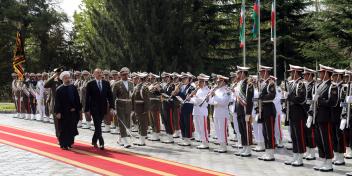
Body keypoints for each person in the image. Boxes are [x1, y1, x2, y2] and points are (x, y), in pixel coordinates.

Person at [307, 64, 337, 172]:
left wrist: (319, 100)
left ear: (326, 74)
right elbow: (314, 102)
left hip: (326, 117)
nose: (319, 74)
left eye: (321, 72)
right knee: (319, 140)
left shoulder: (332, 86)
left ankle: (329, 162)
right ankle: (323, 159)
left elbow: (333, 102)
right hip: (317, 116)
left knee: (326, 139)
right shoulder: (319, 85)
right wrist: (310, 114)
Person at [283, 65, 307, 167]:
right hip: (292, 112)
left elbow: (300, 99)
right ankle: (295, 156)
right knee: (293, 136)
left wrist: (289, 96)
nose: (290, 74)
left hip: (299, 112)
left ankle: (300, 158)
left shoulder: (301, 84)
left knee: (299, 135)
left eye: (292, 72)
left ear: (296, 73)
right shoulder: (292, 84)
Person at [85, 68, 114, 150]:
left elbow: (110, 96)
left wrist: (112, 107)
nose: (99, 74)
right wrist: (86, 109)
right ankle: (101, 142)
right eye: (97, 73)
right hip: (94, 108)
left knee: (98, 125)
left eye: (100, 72)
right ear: (94, 74)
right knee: (98, 125)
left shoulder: (106, 83)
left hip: (103, 108)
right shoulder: (90, 84)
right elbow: (87, 97)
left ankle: (94, 140)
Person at [54, 71, 81, 150]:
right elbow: (57, 102)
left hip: (73, 112)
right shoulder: (59, 89)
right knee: (63, 128)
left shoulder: (73, 87)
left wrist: (76, 108)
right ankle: (63, 144)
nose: (67, 79)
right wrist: (58, 112)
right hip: (63, 113)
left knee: (72, 128)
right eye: (65, 78)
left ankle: (70, 143)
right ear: (62, 79)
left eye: (68, 78)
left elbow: (77, 99)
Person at [257, 65, 277, 161]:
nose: (260, 74)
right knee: (265, 132)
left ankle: (271, 153)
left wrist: (261, 98)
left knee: (270, 132)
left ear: (265, 72)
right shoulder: (263, 83)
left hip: (269, 108)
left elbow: (272, 95)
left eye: (261, 72)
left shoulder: (270, 82)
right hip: (263, 109)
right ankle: (267, 151)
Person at [234, 66, 254, 157]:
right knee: (242, 130)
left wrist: (248, 113)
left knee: (247, 130)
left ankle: (248, 149)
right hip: (239, 109)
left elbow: (249, 99)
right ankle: (244, 147)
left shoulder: (249, 84)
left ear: (243, 73)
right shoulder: (240, 83)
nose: (238, 75)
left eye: (239, 73)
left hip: (245, 110)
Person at [208, 74, 231, 153]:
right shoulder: (217, 90)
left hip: (223, 112)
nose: (217, 83)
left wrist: (215, 98)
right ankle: (220, 145)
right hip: (216, 112)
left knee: (222, 130)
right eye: (217, 81)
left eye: (219, 81)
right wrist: (212, 97)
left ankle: (224, 146)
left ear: (223, 81)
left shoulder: (227, 90)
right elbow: (210, 102)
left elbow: (224, 102)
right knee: (217, 130)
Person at [112, 67, 134, 148]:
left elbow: (132, 96)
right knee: (122, 123)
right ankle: (125, 141)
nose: (125, 76)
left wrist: (133, 108)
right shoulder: (117, 84)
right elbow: (113, 96)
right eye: (123, 74)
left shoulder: (131, 83)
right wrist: (113, 108)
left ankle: (120, 139)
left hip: (128, 105)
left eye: (126, 74)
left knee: (127, 123)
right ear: (120, 75)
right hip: (120, 105)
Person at [190, 74, 210, 149]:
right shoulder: (198, 90)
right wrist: (190, 99)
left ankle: (205, 142)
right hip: (196, 111)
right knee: (198, 128)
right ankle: (202, 141)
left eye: (200, 81)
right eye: (198, 81)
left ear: (204, 82)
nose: (198, 83)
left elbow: (203, 100)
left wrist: (194, 97)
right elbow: (195, 100)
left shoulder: (207, 90)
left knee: (203, 127)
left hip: (202, 111)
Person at [131, 72, 150, 146]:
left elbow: (147, 100)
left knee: (142, 124)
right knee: (139, 123)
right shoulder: (137, 87)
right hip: (137, 108)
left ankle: (142, 141)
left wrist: (145, 110)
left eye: (137, 78)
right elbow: (133, 98)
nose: (136, 79)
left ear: (140, 79)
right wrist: (132, 108)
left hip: (142, 109)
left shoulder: (144, 87)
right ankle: (141, 139)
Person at [302, 67, 317, 160]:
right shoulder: (304, 85)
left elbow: (313, 100)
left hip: (310, 111)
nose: (304, 76)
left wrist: (311, 113)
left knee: (310, 132)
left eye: (306, 75)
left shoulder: (314, 86)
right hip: (303, 111)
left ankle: (312, 152)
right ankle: (307, 150)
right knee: (305, 132)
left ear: (311, 75)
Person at [44, 68, 63, 139]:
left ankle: (65, 137)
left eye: (59, 73)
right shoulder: (53, 82)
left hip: (64, 105)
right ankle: (59, 137)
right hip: (55, 105)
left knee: (64, 122)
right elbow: (45, 85)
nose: (58, 74)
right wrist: (53, 76)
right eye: (57, 73)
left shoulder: (63, 80)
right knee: (57, 123)